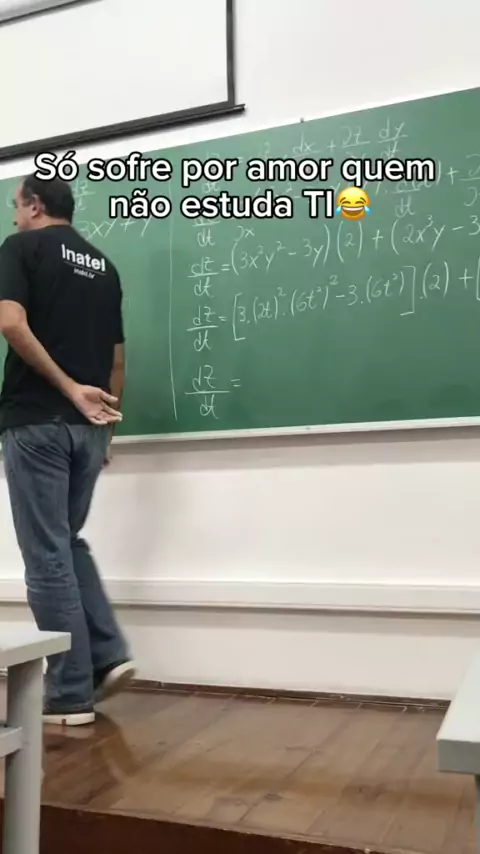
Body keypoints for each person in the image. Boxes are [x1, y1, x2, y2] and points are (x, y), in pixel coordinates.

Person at [0, 174, 135, 726]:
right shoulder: (104, 266)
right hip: (88, 429)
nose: (13, 216)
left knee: (47, 555)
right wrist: (106, 429)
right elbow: (118, 359)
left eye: (16, 205)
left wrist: (66, 388)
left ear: (35, 205)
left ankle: (69, 694)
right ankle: (107, 654)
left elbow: (10, 322)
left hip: (38, 422)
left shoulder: (21, 248)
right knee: (67, 541)